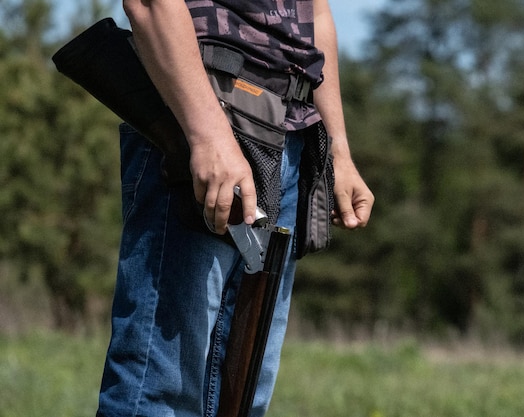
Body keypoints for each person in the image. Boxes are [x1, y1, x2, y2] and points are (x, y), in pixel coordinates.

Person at [96, 0, 374, 416]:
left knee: (244, 397)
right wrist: (208, 136)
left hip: (292, 133)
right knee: (160, 394)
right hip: (204, 117)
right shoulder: (206, 135)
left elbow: (315, 12)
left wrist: (339, 151)